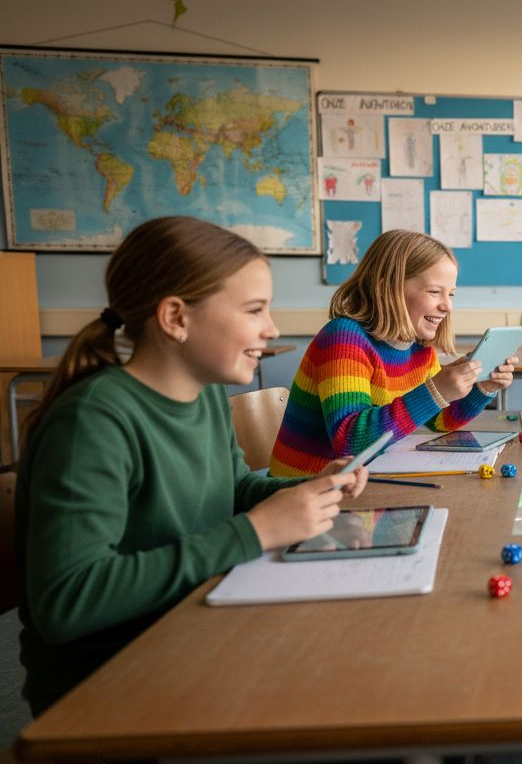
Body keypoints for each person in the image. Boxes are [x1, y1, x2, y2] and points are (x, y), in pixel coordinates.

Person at [16, 217, 368, 716]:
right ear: (176, 318)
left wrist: (311, 490)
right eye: (255, 310)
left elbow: (233, 489)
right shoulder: (92, 421)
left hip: (196, 633)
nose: (272, 329)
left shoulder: (205, 396)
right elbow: (67, 601)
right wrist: (256, 532)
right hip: (110, 686)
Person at [270, 230, 515, 476]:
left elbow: (440, 420)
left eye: (451, 294)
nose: (447, 306)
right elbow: (349, 441)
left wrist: (482, 388)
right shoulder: (344, 338)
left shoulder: (420, 350)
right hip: (305, 488)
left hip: (363, 481)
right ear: (386, 288)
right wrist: (436, 391)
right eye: (434, 292)